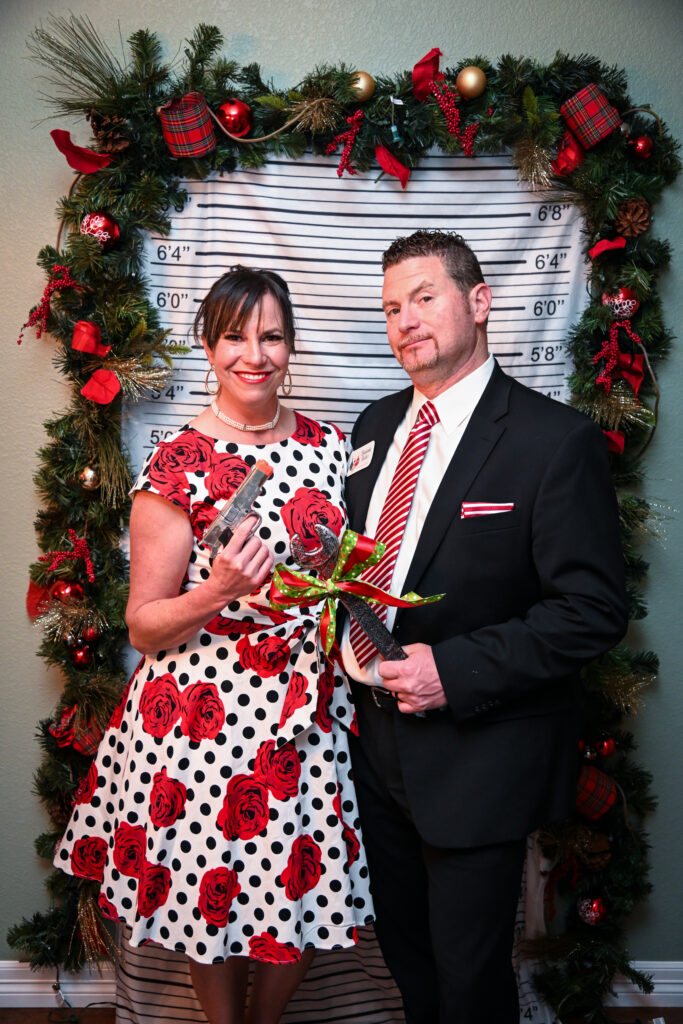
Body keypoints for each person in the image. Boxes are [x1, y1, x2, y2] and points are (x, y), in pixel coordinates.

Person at [55, 266, 373, 1024]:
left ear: (291, 345)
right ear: (208, 344)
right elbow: (143, 624)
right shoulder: (178, 460)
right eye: (235, 337)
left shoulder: (333, 448)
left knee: (303, 890)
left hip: (305, 712)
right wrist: (217, 591)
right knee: (214, 898)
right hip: (204, 716)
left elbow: (354, 572)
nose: (254, 356)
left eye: (271, 336)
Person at [340, 230, 628, 1024]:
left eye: (423, 298)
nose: (405, 320)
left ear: (478, 302)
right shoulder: (373, 426)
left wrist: (452, 671)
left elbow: (591, 610)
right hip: (371, 743)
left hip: (476, 750)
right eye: (391, 307)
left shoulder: (552, 440)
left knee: (469, 981)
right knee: (406, 960)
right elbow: (370, 564)